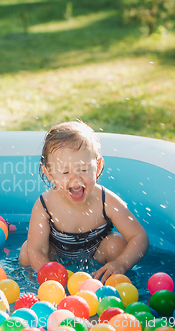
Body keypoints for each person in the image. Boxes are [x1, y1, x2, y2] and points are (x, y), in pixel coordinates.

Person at [19, 121, 148, 283]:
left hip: (97, 254)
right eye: (65, 172)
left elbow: (139, 236)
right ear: (50, 174)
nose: (76, 179)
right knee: (27, 251)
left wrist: (121, 263)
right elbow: (37, 249)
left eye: (84, 170)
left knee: (116, 244)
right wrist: (50, 279)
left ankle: (113, 280)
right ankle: (31, 283)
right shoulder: (45, 204)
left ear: (98, 166)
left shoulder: (105, 200)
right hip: (57, 254)